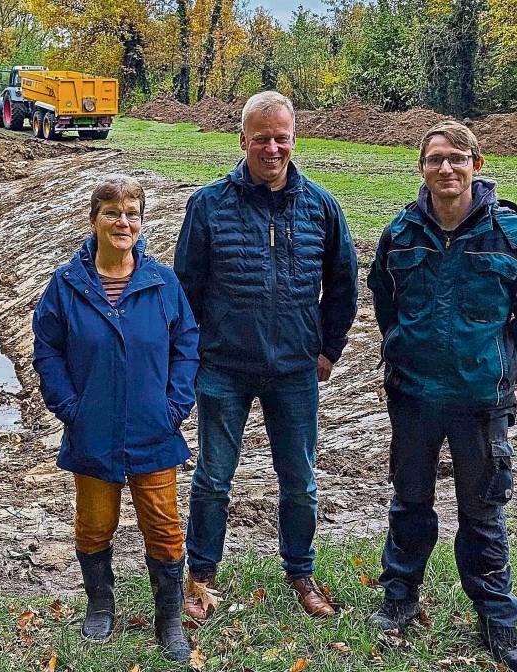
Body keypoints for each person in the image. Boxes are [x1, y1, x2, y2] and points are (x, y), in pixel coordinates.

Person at [366, 120, 517, 671]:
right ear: (421, 169)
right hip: (413, 396)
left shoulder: (513, 236)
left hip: (480, 402)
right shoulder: (400, 234)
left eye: (456, 158)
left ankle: (498, 620)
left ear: (478, 163)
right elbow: (385, 304)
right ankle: (399, 600)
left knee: (483, 515)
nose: (445, 168)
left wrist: (498, 366)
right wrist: (407, 348)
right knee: (409, 504)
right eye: (434, 160)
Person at [174, 91, 359, 620]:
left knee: (299, 479)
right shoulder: (208, 206)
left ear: (294, 139)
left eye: (281, 138)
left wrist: (329, 348)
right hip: (223, 368)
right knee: (213, 477)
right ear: (243, 141)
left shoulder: (322, 207)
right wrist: (190, 360)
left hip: (296, 371)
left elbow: (343, 284)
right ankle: (201, 576)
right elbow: (185, 291)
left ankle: (301, 573)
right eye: (261, 138)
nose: (272, 148)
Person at [32, 176, 200, 662]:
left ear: (141, 222)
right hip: (94, 429)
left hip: (154, 427)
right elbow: (48, 349)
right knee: (94, 524)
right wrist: (69, 407)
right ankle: (100, 604)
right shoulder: (66, 285)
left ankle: (168, 619)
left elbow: (186, 345)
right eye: (112, 212)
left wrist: (174, 405)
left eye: (132, 212)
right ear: (94, 220)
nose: (122, 222)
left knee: (165, 527)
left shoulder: (162, 283)